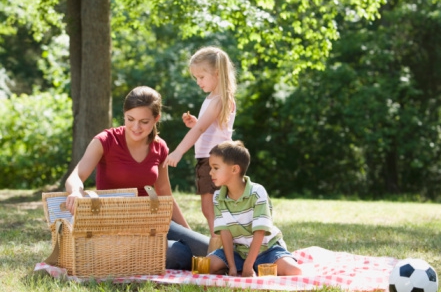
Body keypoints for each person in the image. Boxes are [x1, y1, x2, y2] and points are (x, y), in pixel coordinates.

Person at [65, 86, 209, 270]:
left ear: (156, 119)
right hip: (115, 225)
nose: (136, 127)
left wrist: (188, 234)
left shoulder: (160, 147)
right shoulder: (105, 140)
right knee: (178, 253)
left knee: (206, 248)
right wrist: (76, 192)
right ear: (124, 114)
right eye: (130, 119)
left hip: (151, 220)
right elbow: (76, 175)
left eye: (144, 121)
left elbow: (164, 193)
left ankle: (253, 263)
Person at [163, 46, 236, 253]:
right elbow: (209, 127)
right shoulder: (214, 98)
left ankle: (219, 251)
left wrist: (178, 151)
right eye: (196, 77)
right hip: (212, 160)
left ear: (217, 74)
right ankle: (219, 249)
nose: (198, 82)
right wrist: (195, 123)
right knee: (211, 208)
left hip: (214, 162)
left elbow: (202, 129)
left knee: (212, 209)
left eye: (201, 76)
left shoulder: (219, 99)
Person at [207, 141, 302, 277]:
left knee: (295, 272)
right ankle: (250, 269)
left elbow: (260, 231)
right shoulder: (218, 197)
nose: (210, 172)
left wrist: (248, 265)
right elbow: (225, 233)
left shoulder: (257, 192)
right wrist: (232, 266)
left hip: (267, 250)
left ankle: (254, 267)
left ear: (234, 169)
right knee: (207, 265)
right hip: (238, 252)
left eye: (215, 168)